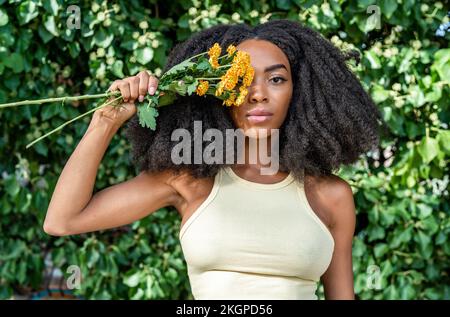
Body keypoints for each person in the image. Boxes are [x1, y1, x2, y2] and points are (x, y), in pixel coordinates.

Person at [43, 19, 383, 300]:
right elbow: (63, 220)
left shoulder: (330, 196)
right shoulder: (191, 181)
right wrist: (105, 121)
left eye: (276, 79)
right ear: (219, 91)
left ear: (300, 92)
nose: (258, 93)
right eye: (243, 79)